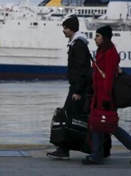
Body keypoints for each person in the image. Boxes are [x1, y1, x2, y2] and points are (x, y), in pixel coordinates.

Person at [82, 25, 131, 165]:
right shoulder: (101, 51)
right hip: (98, 96)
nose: (95, 38)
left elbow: (109, 77)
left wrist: (105, 98)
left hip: (106, 97)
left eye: (98, 36)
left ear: (104, 37)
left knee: (110, 126)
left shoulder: (110, 53)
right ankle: (97, 154)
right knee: (97, 124)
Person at [47, 15, 92, 160]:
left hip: (77, 89)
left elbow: (81, 69)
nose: (63, 31)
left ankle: (64, 150)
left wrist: (78, 91)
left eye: (65, 28)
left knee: (68, 116)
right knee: (73, 117)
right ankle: (69, 148)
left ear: (72, 29)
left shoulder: (78, 45)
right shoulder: (76, 44)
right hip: (76, 87)